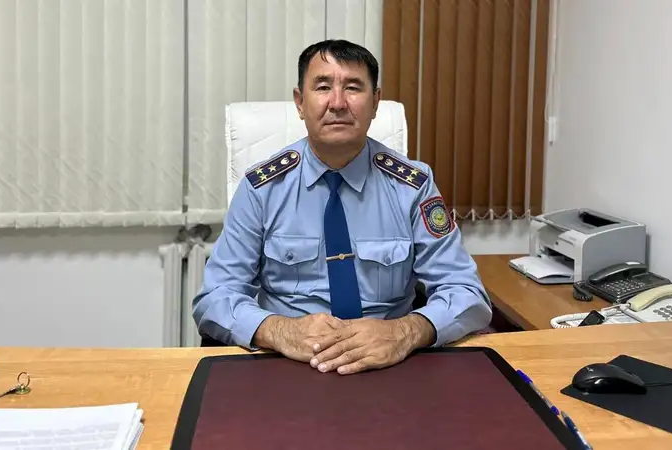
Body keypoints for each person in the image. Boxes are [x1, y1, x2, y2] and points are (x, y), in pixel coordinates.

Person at [193, 39, 492, 375]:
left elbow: (466, 292)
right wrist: (280, 331)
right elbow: (215, 297)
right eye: (323, 87)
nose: (337, 103)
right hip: (287, 363)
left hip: (389, 363)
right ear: (300, 102)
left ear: (375, 102)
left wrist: (404, 332)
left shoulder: (412, 186)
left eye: (353, 87)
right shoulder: (261, 188)